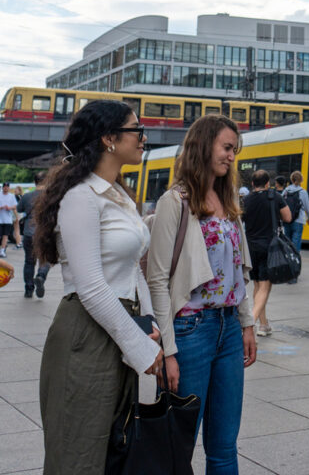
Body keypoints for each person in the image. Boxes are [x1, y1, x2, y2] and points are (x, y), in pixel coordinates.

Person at [34, 100, 163, 475]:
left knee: (113, 451)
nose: (143, 138)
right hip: (85, 336)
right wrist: (139, 347)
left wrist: (150, 323)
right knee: (78, 454)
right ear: (109, 139)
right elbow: (90, 286)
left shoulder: (119, 196)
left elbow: (133, 267)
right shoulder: (81, 197)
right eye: (135, 130)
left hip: (117, 329)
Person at [146, 115, 257, 475]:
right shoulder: (174, 201)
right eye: (226, 148)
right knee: (179, 443)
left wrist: (247, 324)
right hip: (191, 331)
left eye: (234, 151)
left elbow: (239, 271)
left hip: (228, 330)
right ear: (204, 145)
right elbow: (158, 280)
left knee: (224, 445)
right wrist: (169, 351)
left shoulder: (229, 204)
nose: (231, 157)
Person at [242, 170, 291, 336]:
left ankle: (264, 325)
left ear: (252, 184)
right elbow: (288, 217)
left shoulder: (245, 200)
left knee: (257, 285)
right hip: (268, 246)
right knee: (265, 287)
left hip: (250, 247)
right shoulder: (274, 197)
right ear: (268, 183)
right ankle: (251, 324)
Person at [17, 173, 51, 298]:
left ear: (35, 181)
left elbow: (19, 209)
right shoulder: (50, 196)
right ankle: (41, 276)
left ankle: (28, 289)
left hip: (28, 233)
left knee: (29, 261)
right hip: (44, 233)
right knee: (46, 258)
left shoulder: (26, 196)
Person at [282, 170, 309, 283]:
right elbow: (307, 207)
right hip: (298, 221)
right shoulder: (302, 192)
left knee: (287, 246)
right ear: (301, 180)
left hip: (287, 220)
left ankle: (287, 272)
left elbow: (281, 204)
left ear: (291, 179)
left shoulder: (286, 191)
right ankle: (294, 274)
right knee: (296, 247)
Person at [0, 182, 18, 258]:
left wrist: (9, 208)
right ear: (2, 187)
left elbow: (15, 206)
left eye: (7, 187)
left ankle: (2, 250)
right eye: (5, 186)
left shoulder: (11, 196)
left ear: (9, 188)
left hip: (8, 219)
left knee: (5, 235)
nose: (6, 188)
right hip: (0, 219)